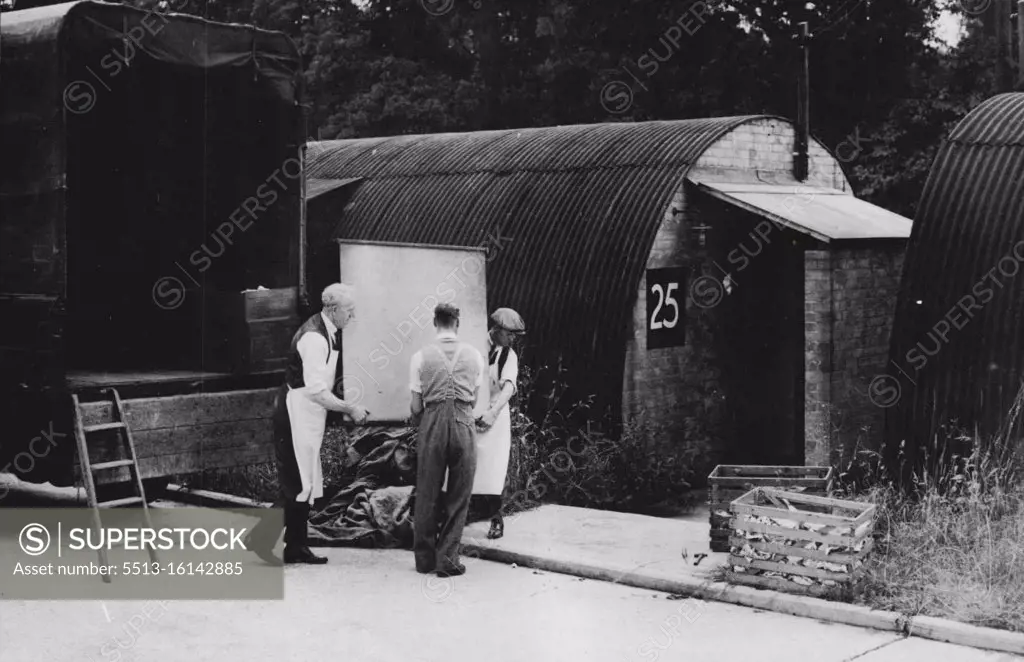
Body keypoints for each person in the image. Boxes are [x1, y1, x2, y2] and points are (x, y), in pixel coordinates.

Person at [245, 283, 369, 565]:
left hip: (309, 413)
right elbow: (315, 390)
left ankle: (296, 547)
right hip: (295, 412)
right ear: (333, 310)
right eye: (350, 311)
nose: (353, 316)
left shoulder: (329, 331)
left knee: (307, 482)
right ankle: (260, 538)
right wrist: (349, 407)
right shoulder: (314, 338)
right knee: (297, 483)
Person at [409, 303, 485, 577]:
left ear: (434, 322)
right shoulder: (474, 355)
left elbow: (416, 407)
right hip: (464, 422)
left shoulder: (420, 356)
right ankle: (448, 560)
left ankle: (425, 561)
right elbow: (474, 400)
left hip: (432, 424)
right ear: (457, 323)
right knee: (459, 493)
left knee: (427, 492)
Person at [472, 307, 526, 539]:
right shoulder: (476, 345)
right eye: (509, 334)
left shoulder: (508, 356)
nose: (512, 339)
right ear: (496, 330)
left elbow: (509, 388)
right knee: (468, 467)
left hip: (495, 419)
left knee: (493, 471)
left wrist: (493, 413)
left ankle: (496, 518)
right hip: (473, 415)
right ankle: (461, 515)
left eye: (515, 335)